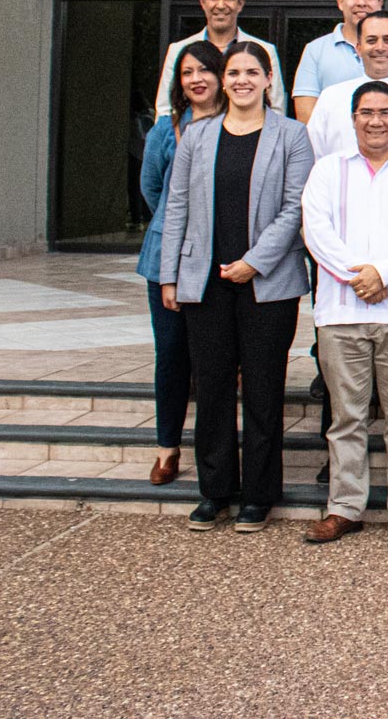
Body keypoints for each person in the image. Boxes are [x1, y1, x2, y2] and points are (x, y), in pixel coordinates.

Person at [158, 41, 313, 532]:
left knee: (265, 391)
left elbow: (295, 208)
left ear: (270, 79)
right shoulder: (198, 136)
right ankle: (215, 491)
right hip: (205, 283)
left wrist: (253, 262)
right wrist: (169, 275)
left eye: (252, 71)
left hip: (267, 284)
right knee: (215, 389)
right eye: (233, 72)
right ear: (223, 81)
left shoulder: (292, 136)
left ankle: (259, 496)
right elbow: (176, 206)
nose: (242, 80)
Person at [298, 81, 388, 547]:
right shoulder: (327, 170)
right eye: (366, 112)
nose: (376, 120)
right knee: (346, 417)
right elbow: (315, 230)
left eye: (385, 112)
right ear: (353, 118)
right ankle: (344, 507)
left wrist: (382, 272)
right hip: (340, 313)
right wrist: (358, 277)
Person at [134, 40, 222, 486]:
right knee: (170, 354)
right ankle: (167, 447)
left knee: (210, 358)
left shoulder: (236, 125)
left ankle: (213, 449)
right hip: (165, 258)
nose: (196, 79)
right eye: (188, 73)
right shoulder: (165, 130)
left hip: (217, 260)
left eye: (205, 70)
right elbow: (153, 191)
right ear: (179, 82)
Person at [305, 11, 388, 162]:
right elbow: (315, 156)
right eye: (371, 41)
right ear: (358, 48)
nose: (380, 47)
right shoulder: (330, 98)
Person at [154, 0, 285, 115]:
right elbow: (165, 110)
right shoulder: (178, 50)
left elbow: (276, 110)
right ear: (202, 2)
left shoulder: (265, 50)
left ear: (240, 3)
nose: (221, 5)